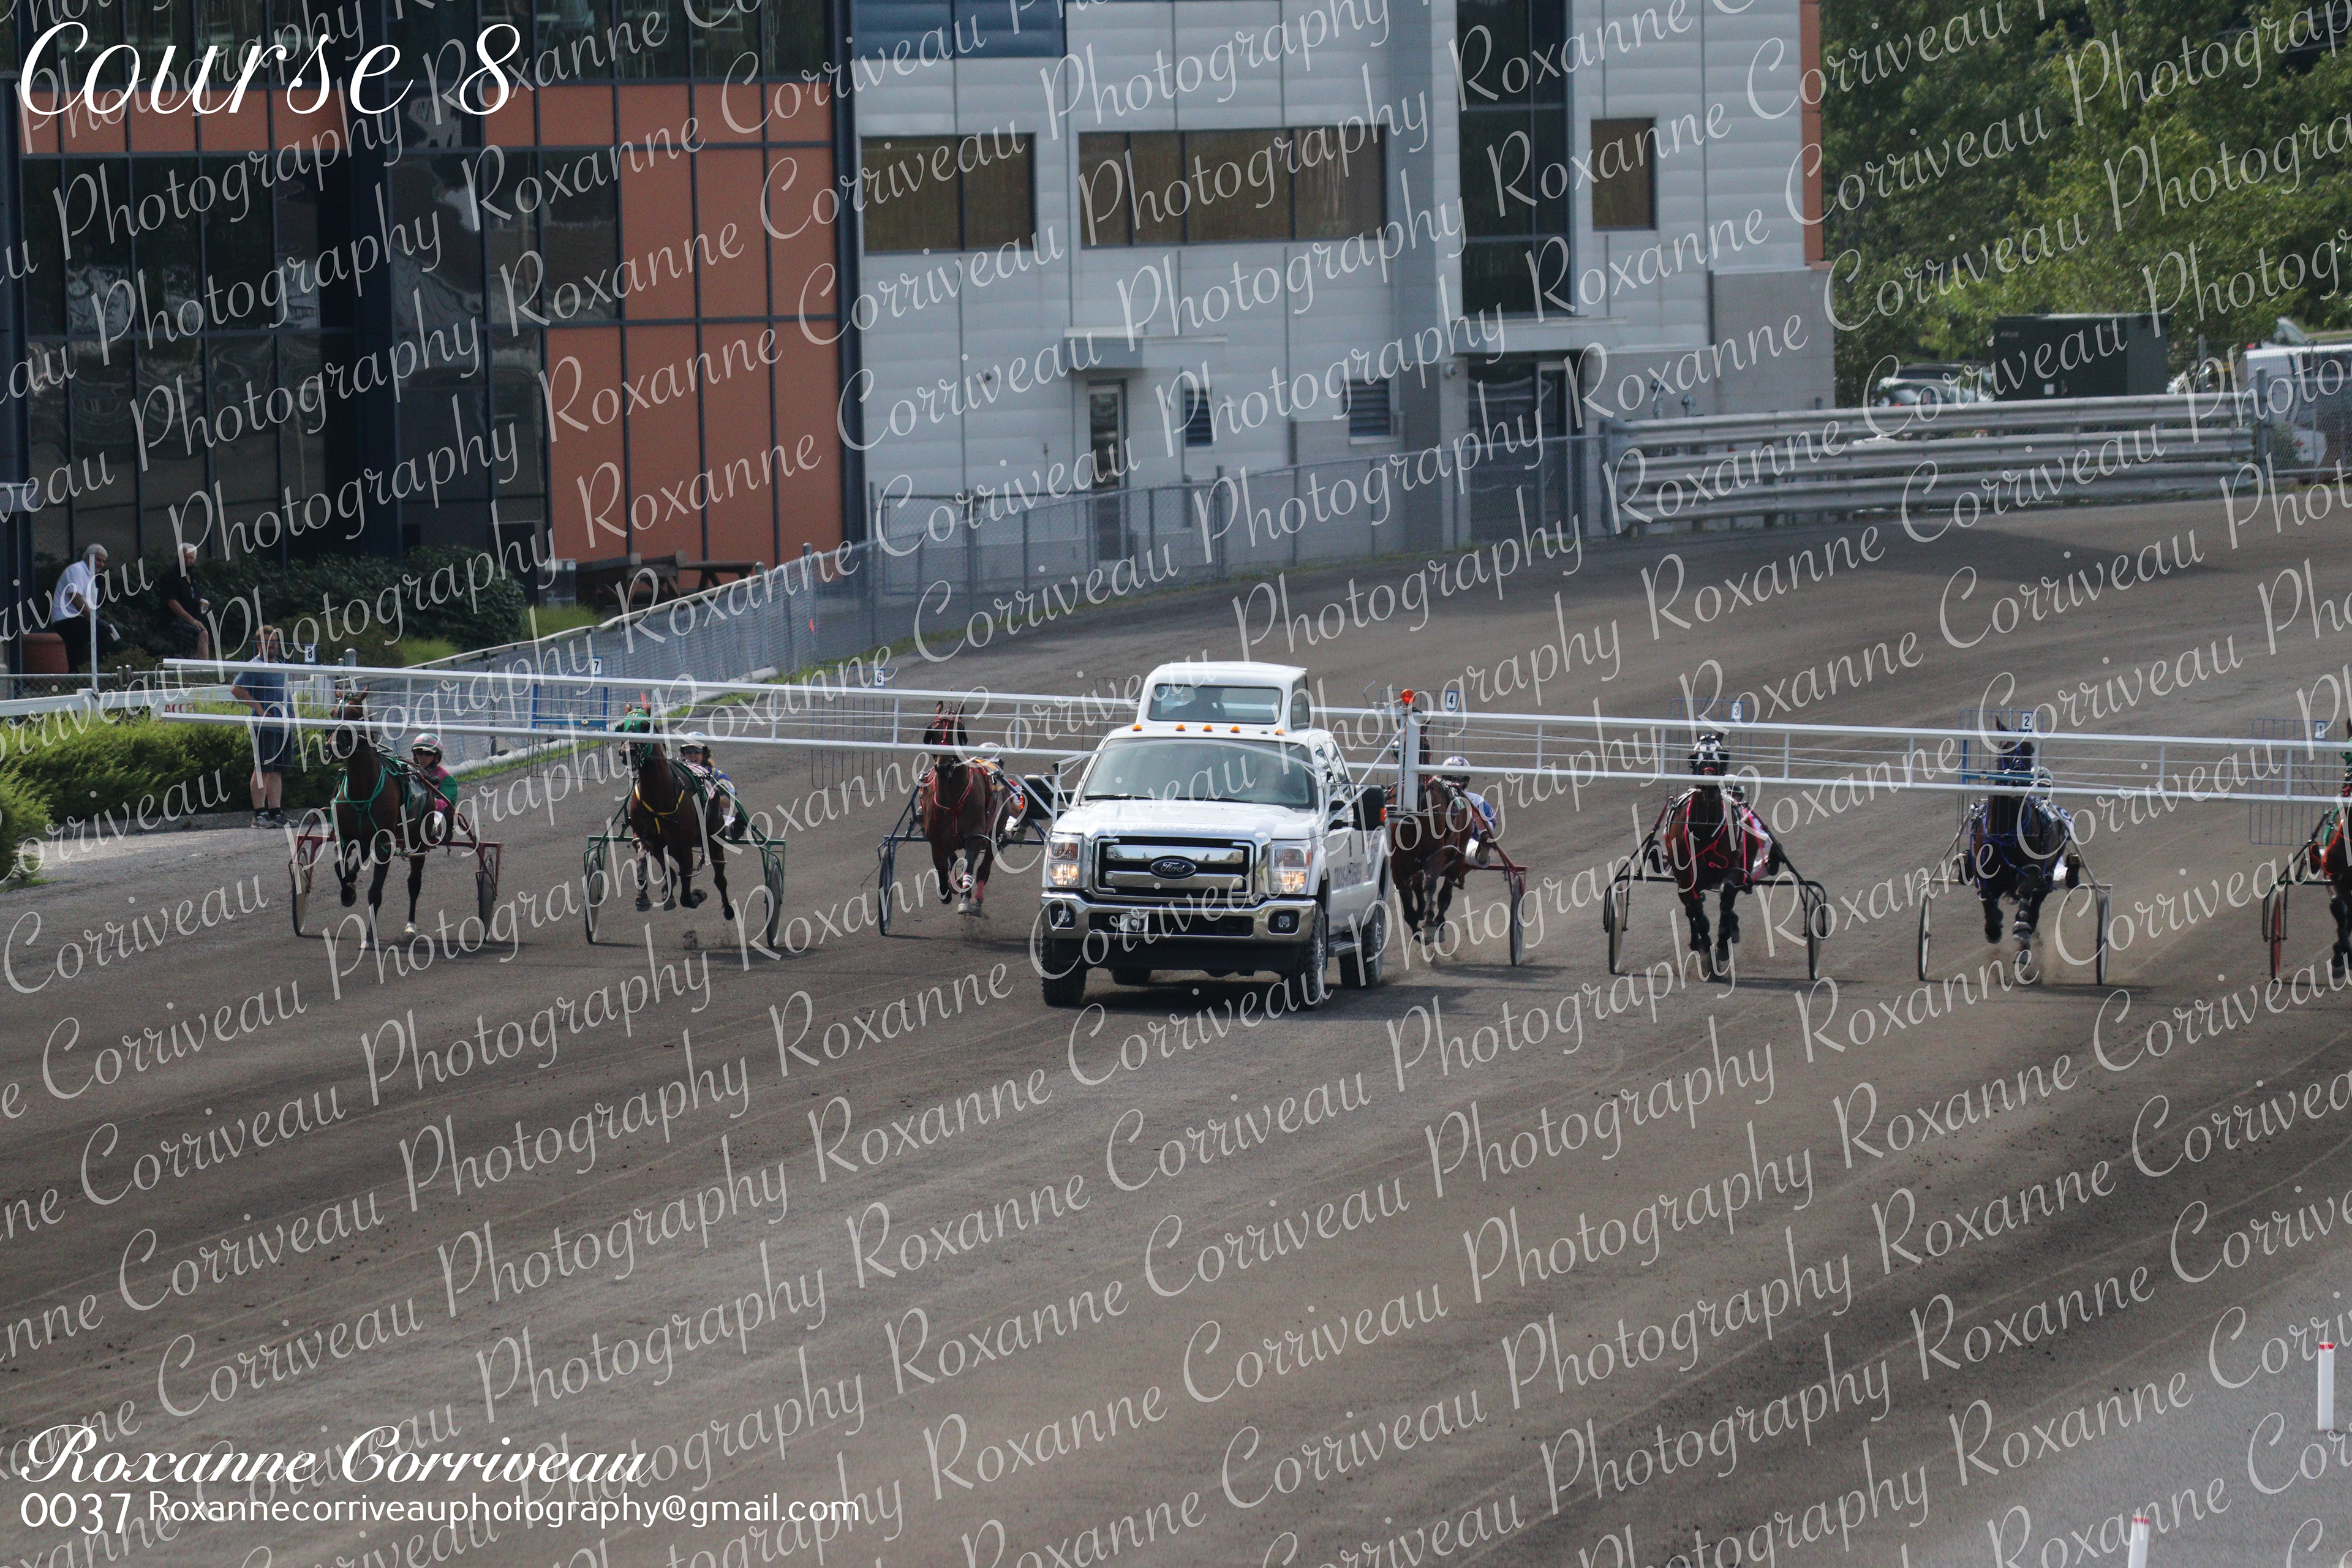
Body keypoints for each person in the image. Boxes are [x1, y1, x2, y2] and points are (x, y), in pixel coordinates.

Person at [231, 626, 292, 827]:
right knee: (263, 769)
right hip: (264, 726)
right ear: (259, 645)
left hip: (283, 724)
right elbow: (236, 689)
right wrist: (258, 707)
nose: (272, 646)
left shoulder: (281, 665)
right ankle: (259, 814)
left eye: (274, 642)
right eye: (268, 642)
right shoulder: (254, 666)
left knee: (277, 770)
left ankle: (275, 812)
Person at [48, 543, 116, 671]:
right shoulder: (77, 570)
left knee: (78, 653)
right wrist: (96, 620)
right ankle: (99, 670)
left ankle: (82, 674)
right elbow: (76, 598)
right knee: (102, 634)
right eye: (99, 560)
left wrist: (96, 620)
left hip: (75, 618)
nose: (102, 564)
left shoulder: (89, 575)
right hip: (66, 618)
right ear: (88, 558)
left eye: (104, 561)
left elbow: (88, 604)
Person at [676, 733, 750, 841]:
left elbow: (729, 801)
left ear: (704, 754)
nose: (692, 755)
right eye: (688, 752)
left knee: (721, 822)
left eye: (697, 752)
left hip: (711, 821)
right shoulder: (676, 775)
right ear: (683, 754)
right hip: (682, 819)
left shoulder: (716, 775)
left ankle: (733, 827)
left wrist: (706, 798)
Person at [1439, 756, 1498, 865]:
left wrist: (1482, 826)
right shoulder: (1434, 799)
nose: (1454, 783)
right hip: (1438, 839)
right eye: (1451, 778)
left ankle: (1480, 853)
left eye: (1459, 779)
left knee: (1468, 846)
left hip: (1463, 841)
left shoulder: (1475, 800)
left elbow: (1490, 824)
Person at [157, 543, 211, 659]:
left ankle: (194, 666)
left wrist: (200, 603)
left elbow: (192, 596)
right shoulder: (171, 576)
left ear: (195, 559)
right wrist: (193, 621)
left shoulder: (194, 576)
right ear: (178, 558)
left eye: (191, 558)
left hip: (190, 619)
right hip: (173, 620)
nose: (188, 561)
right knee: (203, 634)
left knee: (185, 652)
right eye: (185, 557)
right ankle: (205, 668)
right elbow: (172, 602)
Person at [410, 733, 456, 845]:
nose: (423, 757)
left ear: (436, 757)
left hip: (435, 818)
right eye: (420, 753)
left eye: (429, 753)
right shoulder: (410, 773)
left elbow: (447, 804)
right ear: (415, 755)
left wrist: (426, 802)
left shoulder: (446, 778)